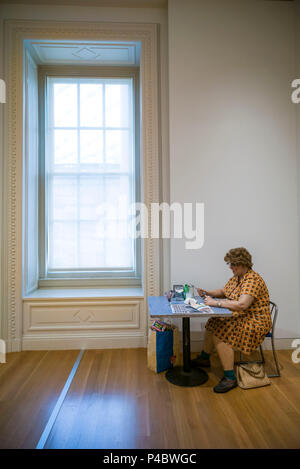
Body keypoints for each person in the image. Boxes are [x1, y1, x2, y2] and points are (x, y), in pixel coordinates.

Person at [193, 247, 272, 393]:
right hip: (243, 316)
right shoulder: (238, 278)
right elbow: (224, 291)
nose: (230, 267)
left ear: (243, 264)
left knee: (221, 331)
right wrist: (207, 292)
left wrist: (215, 303)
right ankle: (204, 358)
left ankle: (230, 378)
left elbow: (242, 304)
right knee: (214, 322)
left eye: (233, 264)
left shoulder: (252, 279)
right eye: (230, 264)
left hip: (255, 321)